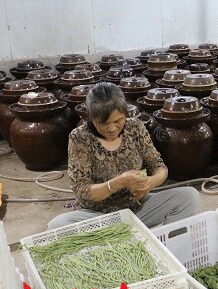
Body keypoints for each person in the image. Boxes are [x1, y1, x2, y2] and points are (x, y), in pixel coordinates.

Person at [48, 82, 200, 230]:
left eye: (118, 120)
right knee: (58, 225)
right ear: (92, 118)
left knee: (189, 197)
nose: (112, 128)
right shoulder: (80, 137)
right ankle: (125, 235)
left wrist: (150, 182)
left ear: (125, 113)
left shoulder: (135, 127)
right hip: (98, 217)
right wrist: (117, 183)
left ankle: (153, 241)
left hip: (137, 210)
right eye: (103, 123)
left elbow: (158, 166)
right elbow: (82, 190)